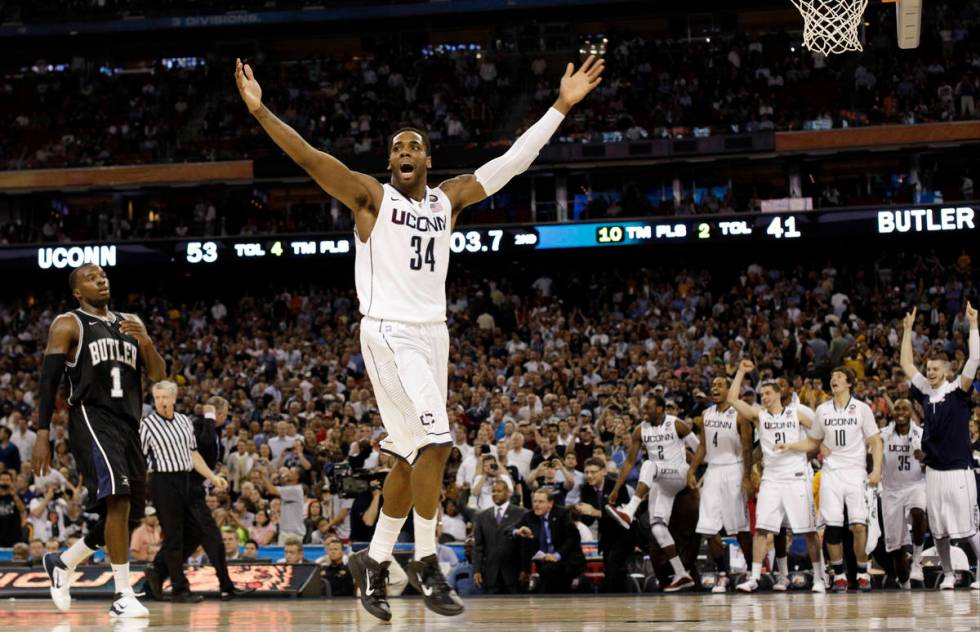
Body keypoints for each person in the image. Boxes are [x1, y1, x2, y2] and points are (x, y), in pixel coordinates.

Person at [235, 51, 604, 623]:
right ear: (389, 161)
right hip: (388, 333)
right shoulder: (370, 198)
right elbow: (309, 158)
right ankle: (428, 560)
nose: (404, 153)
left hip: (434, 336)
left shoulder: (447, 199)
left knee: (412, 459)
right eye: (396, 148)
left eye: (413, 147)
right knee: (439, 442)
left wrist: (560, 105)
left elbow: (513, 162)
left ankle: (374, 558)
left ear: (428, 158)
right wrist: (261, 113)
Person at [35, 264, 165, 619]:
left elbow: (158, 375)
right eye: (91, 278)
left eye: (103, 275)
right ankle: (122, 594)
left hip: (128, 422)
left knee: (133, 513)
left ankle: (64, 561)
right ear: (78, 291)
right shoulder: (68, 323)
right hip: (92, 416)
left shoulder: (129, 321)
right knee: (118, 499)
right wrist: (42, 433)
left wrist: (147, 341)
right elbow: (48, 383)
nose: (101, 279)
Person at [778, 366, 883, 592]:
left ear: (849, 383)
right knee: (832, 528)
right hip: (831, 473)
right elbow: (814, 442)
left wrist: (876, 471)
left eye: (839, 377)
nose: (833, 379)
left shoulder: (862, 409)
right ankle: (839, 574)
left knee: (858, 525)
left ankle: (863, 571)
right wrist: (791, 446)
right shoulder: (823, 410)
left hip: (856, 472)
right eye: (832, 376)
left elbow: (875, 441)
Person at [726, 360, 827, 593]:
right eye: (762, 393)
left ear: (780, 394)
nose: (764, 397)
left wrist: (795, 446)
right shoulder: (759, 416)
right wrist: (740, 372)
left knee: (809, 530)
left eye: (768, 393)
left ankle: (820, 578)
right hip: (771, 478)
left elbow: (820, 434)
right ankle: (754, 577)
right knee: (762, 529)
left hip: (796, 476)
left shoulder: (796, 413)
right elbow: (732, 400)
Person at [900, 303, 980, 590]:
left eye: (935, 368)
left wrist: (973, 325)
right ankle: (948, 574)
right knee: (940, 529)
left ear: (946, 371)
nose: (929, 372)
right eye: (928, 368)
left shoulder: (958, 390)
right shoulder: (924, 392)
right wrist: (908, 330)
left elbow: (974, 360)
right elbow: (906, 365)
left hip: (959, 468)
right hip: (933, 470)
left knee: (969, 528)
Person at [138, 380, 228, 603]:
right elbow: (139, 458)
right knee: (174, 536)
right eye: (157, 398)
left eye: (165, 397)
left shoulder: (184, 422)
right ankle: (179, 589)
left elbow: (193, 455)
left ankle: (156, 572)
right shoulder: (147, 425)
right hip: (162, 481)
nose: (161, 401)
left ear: (174, 398)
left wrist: (212, 476)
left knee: (195, 530)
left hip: (185, 479)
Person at [607, 396, 696, 591]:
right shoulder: (641, 429)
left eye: (648, 408)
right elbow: (629, 462)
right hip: (659, 478)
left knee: (649, 464)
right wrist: (616, 488)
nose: (644, 411)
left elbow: (699, 449)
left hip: (679, 473)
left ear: (661, 408)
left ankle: (629, 511)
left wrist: (692, 472)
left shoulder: (677, 425)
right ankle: (681, 574)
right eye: (643, 408)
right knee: (657, 527)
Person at [686, 377, 754, 593]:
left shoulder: (740, 415)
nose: (714, 388)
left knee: (740, 529)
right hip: (713, 470)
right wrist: (691, 470)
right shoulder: (706, 415)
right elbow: (703, 447)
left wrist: (746, 476)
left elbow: (747, 449)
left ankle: (753, 572)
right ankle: (723, 574)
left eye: (719, 385)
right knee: (708, 528)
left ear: (729, 390)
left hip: (734, 468)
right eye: (712, 385)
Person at [879, 399, 928, 588]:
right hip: (891, 491)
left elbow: (930, 462)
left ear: (911, 412)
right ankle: (905, 584)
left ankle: (917, 562)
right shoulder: (883, 435)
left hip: (915, 485)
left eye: (904, 408)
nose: (899, 411)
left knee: (918, 512)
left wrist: (922, 457)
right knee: (897, 550)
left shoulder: (922, 435)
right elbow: (872, 459)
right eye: (897, 408)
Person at [576, 457, 632, 593]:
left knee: (615, 566)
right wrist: (580, 514)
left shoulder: (617, 486)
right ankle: (613, 605)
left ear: (604, 472)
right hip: (606, 537)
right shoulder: (586, 489)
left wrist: (596, 512)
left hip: (624, 534)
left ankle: (622, 602)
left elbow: (625, 516)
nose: (589, 475)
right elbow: (588, 520)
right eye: (587, 472)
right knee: (609, 569)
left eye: (593, 472)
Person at [514, 489, 585, 593]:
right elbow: (511, 529)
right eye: (535, 501)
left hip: (566, 560)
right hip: (544, 564)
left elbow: (573, 538)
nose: (536, 505)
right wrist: (517, 531)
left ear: (550, 504)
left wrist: (556, 556)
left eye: (541, 502)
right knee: (547, 572)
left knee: (551, 576)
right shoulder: (529, 517)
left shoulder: (562, 513)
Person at [472, 480, 527, 594]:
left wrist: (524, 569)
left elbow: (525, 545)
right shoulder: (482, 516)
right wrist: (476, 570)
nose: (495, 494)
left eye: (499, 491)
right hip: (491, 574)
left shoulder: (521, 513)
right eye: (493, 491)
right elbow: (478, 546)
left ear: (507, 493)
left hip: (514, 574)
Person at [0, 470, 26, 547]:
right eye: (2, 480)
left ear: (11, 482)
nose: (5, 482)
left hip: (14, 535)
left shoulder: (17, 495)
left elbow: (22, 510)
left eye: (7, 480)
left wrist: (14, 495)